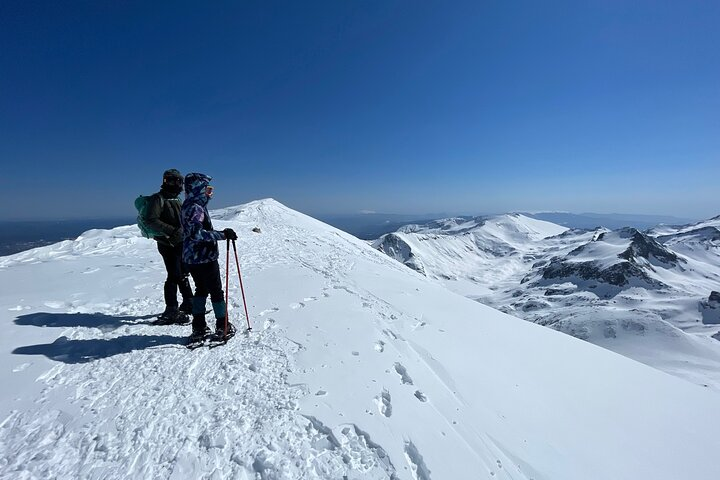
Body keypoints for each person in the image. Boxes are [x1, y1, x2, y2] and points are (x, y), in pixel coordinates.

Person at [181, 172, 237, 341]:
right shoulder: (196, 208)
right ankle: (223, 325)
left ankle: (199, 327)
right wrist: (222, 235)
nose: (210, 193)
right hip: (204, 258)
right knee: (216, 292)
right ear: (198, 189)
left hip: (192, 259)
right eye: (207, 189)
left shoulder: (188, 205)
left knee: (201, 290)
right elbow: (196, 234)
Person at [145, 169, 194, 323]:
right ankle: (171, 309)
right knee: (174, 275)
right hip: (167, 243)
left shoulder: (176, 200)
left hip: (181, 242)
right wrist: (172, 231)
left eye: (178, 181)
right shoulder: (158, 199)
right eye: (170, 180)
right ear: (164, 181)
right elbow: (150, 219)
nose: (175, 184)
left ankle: (189, 303)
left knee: (184, 273)